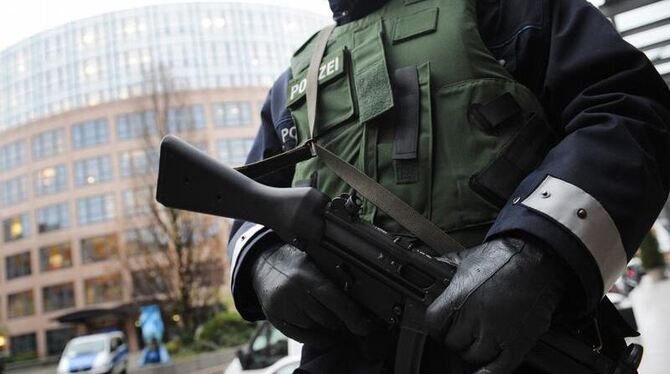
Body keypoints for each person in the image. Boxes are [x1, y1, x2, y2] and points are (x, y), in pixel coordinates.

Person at [228, 0, 670, 372]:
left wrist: (536, 251)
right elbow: (248, 199)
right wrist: (263, 260)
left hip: (525, 350)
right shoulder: (293, 82)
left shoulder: (509, 8)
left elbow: (627, 109)